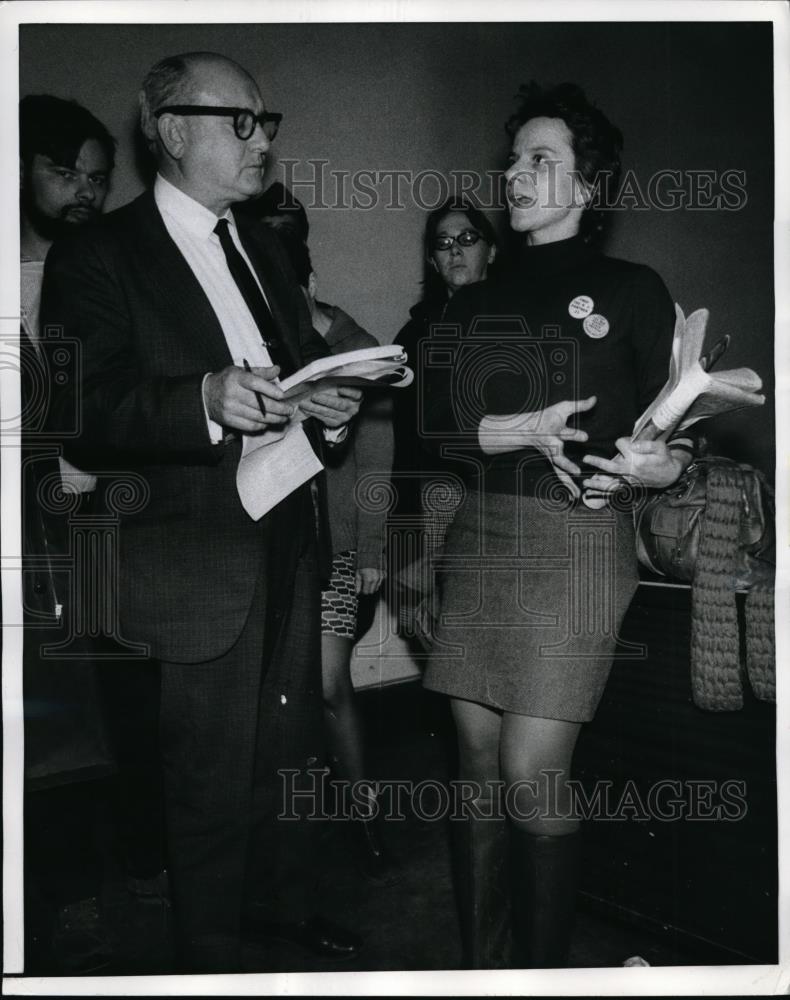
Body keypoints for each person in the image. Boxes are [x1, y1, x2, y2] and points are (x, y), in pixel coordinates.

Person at [40, 51, 363, 973]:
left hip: (290, 536)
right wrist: (205, 397)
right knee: (209, 785)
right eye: (242, 121)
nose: (262, 141)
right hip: (192, 562)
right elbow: (81, 409)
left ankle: (280, 915)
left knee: (285, 757)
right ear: (172, 130)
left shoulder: (260, 242)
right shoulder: (97, 255)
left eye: (268, 123)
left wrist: (326, 404)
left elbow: (297, 369)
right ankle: (211, 961)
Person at [421, 82, 694, 969]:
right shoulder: (470, 296)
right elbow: (434, 425)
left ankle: (540, 979)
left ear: (590, 185)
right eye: (515, 158)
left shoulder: (634, 289)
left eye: (544, 159)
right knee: (473, 763)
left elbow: (670, 436)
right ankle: (483, 969)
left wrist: (664, 464)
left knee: (533, 773)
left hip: (578, 542)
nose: (519, 174)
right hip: (481, 534)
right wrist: (522, 430)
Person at [20, 94, 121, 972]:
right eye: (65, 174)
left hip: (76, 511)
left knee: (80, 696)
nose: (84, 193)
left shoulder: (99, 269)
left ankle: (78, 892)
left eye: (97, 178)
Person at [272, 232, 397, 881]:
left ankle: (365, 817)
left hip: (341, 547)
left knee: (327, 685)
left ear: (311, 283)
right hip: (277, 544)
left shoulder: (356, 346)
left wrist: (372, 547)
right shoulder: (264, 340)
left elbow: (376, 458)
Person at [390, 200, 497, 638]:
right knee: (440, 640)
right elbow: (405, 443)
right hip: (433, 503)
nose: (455, 250)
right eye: (443, 243)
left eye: (468, 239)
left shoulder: (522, 321)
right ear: (433, 260)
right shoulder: (414, 336)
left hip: (503, 500)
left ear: (491, 251)